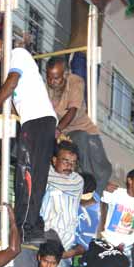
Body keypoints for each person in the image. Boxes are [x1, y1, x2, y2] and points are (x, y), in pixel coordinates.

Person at [0, 31, 58, 242]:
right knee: (35, 176)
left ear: (7, 42)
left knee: (27, 175)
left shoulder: (18, 54)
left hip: (37, 121)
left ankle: (24, 227)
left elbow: (11, 83)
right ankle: (31, 225)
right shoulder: (11, 66)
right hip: (40, 121)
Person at [45, 57, 112, 191]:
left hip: (84, 129)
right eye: (49, 78)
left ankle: (95, 193)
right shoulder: (46, 88)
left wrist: (58, 129)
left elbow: (73, 111)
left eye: (56, 78)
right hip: (64, 135)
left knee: (103, 169)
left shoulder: (76, 81)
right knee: (76, 156)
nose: (52, 82)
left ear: (65, 74)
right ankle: (85, 187)